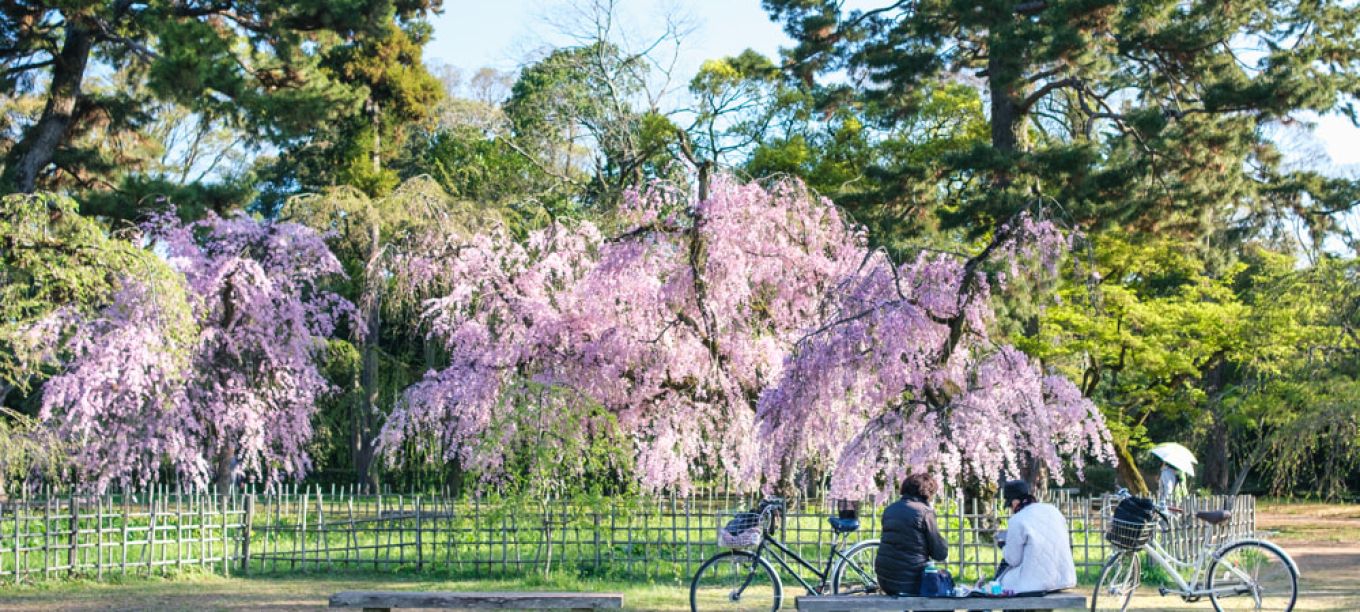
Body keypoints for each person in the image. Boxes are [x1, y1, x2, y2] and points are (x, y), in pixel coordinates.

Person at [994, 480, 1077, 594]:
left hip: (1036, 583)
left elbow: (1013, 560)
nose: (1011, 510)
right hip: (1063, 578)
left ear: (1015, 502)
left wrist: (1003, 545)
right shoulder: (1053, 510)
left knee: (1001, 580)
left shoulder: (1017, 520)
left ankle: (984, 608)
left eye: (1010, 505)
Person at [875, 472, 949, 596]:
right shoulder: (925, 512)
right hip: (910, 582)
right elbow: (939, 553)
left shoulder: (890, 509)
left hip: (885, 581)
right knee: (945, 582)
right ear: (927, 493)